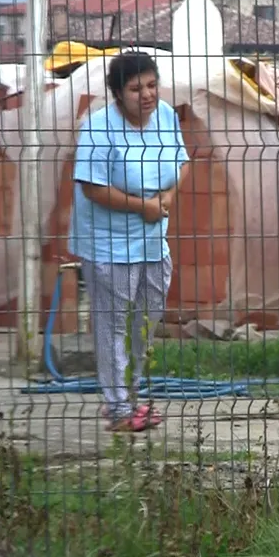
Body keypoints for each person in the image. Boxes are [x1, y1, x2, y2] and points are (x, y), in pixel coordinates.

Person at [68, 51, 190, 432]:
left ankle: (134, 396)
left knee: (146, 321)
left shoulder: (167, 116)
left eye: (152, 85)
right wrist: (142, 207)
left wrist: (168, 198)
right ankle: (118, 409)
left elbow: (183, 162)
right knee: (113, 325)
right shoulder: (98, 126)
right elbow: (91, 187)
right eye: (136, 88)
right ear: (118, 94)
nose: (147, 95)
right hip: (109, 243)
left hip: (153, 238)